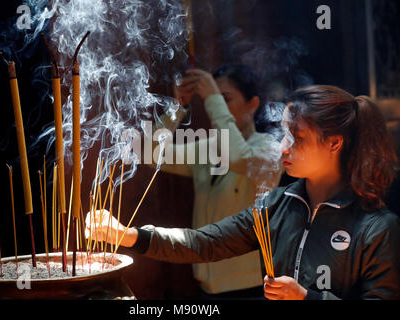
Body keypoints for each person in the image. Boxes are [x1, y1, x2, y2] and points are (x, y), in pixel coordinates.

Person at [88, 85, 400, 300]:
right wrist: (129, 235)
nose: (284, 147)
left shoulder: (377, 226)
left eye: (299, 137)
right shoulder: (277, 205)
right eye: (285, 133)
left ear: (334, 142)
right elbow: (205, 242)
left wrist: (308, 296)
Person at [147, 64, 284, 298]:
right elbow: (152, 154)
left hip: (252, 289)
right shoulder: (211, 148)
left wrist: (211, 96)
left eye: (225, 99)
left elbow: (239, 157)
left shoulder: (270, 148)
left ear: (253, 104)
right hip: (206, 289)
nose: (215, 107)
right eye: (213, 100)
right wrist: (178, 106)